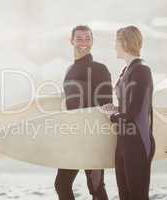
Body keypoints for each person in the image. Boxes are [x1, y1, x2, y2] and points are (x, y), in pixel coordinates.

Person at [54, 25, 112, 200]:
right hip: (74, 137)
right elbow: (70, 103)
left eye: (88, 38)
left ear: (92, 41)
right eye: (79, 38)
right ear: (71, 41)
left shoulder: (100, 69)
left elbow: (106, 104)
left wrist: (102, 140)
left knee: (95, 187)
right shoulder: (69, 70)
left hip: (92, 138)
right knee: (62, 184)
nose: (84, 42)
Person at [107, 25, 156, 199]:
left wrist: (112, 116)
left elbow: (134, 111)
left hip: (138, 142)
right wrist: (115, 109)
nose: (114, 46)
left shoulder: (142, 70)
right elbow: (127, 107)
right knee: (124, 196)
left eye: (117, 42)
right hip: (123, 142)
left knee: (137, 196)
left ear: (125, 43)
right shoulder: (125, 71)